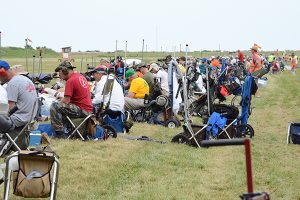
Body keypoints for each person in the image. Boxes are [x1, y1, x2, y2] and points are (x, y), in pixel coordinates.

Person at [0, 61, 38, 154]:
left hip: (18, 119)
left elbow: (9, 110)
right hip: (29, 117)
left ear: (3, 72)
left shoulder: (12, 84)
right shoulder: (24, 79)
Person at [50, 61, 93, 138]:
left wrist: (59, 101)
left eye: (60, 71)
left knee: (54, 106)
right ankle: (66, 130)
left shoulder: (70, 81)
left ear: (64, 71)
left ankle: (60, 134)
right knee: (60, 107)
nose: (59, 75)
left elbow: (66, 101)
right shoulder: (79, 76)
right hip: (87, 109)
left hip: (82, 110)